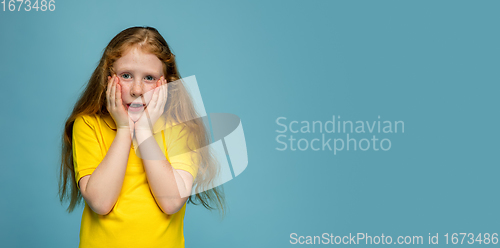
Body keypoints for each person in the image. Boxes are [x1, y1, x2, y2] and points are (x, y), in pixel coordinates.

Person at [58, 26, 225, 248]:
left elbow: (172, 201)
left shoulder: (181, 128)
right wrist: (125, 130)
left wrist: (144, 132)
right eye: (126, 75)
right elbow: (100, 202)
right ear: (107, 78)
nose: (137, 89)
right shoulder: (88, 125)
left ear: (166, 83)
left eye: (149, 78)